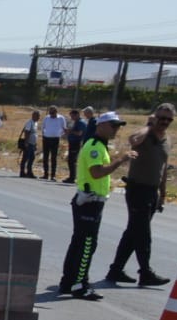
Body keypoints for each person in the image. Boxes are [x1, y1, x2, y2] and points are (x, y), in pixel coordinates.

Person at [58, 111, 136, 300]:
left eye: (117, 126)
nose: (115, 129)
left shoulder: (99, 145)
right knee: (86, 244)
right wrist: (121, 159)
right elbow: (97, 172)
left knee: (79, 243)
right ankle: (79, 284)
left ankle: (68, 281)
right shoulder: (94, 145)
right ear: (100, 125)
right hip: (89, 202)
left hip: (92, 201)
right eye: (112, 125)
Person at [106, 103, 173, 287]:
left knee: (133, 232)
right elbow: (133, 140)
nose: (164, 122)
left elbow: (163, 168)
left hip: (152, 191)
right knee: (143, 233)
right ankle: (145, 272)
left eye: (168, 119)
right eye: (161, 118)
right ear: (154, 117)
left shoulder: (167, 140)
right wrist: (149, 126)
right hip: (137, 189)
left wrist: (163, 194)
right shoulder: (145, 134)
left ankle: (116, 270)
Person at [40, 105, 66, 181]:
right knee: (45, 157)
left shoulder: (61, 118)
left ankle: (53, 175)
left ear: (56, 112)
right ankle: (45, 174)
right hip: (46, 138)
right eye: (50, 112)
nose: (51, 114)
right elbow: (43, 127)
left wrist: (59, 135)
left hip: (55, 139)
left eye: (53, 112)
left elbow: (64, 128)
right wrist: (44, 135)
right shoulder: (46, 118)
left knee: (53, 157)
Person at [63, 106, 87, 183]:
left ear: (77, 115)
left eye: (72, 116)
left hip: (76, 143)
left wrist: (70, 131)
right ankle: (71, 176)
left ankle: (72, 178)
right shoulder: (76, 122)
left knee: (72, 161)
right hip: (72, 142)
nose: (71, 117)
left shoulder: (81, 122)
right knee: (71, 160)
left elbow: (79, 133)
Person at [17, 111, 39, 179]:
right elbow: (27, 132)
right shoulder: (29, 122)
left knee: (32, 158)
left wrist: (35, 144)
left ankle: (29, 172)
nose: (39, 117)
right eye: (37, 116)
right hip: (28, 143)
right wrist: (26, 142)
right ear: (33, 116)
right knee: (25, 158)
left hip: (32, 143)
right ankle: (22, 172)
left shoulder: (35, 123)